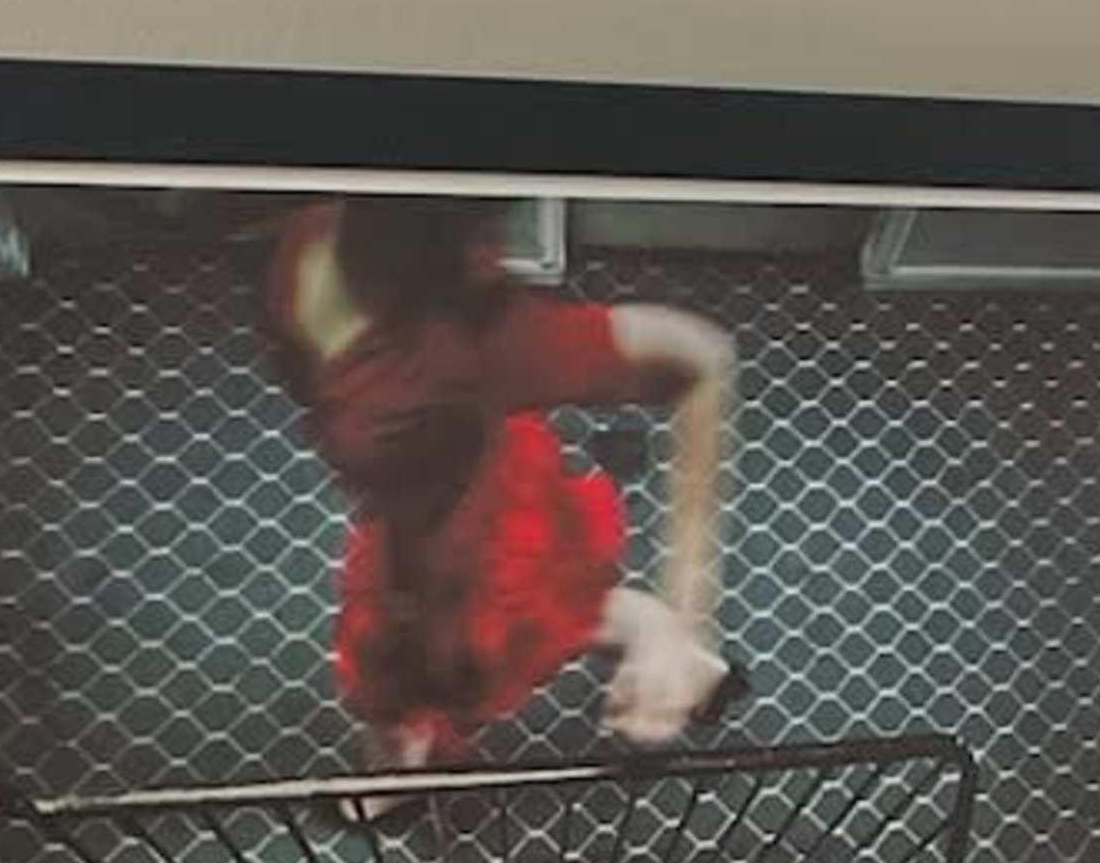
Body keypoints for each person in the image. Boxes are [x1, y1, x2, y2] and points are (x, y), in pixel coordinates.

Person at [261, 195, 740, 767]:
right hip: (427, 516)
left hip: (461, 541)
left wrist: (689, 612)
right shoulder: (302, 229)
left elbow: (700, 358)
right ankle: (652, 633)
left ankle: (396, 756)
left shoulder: (481, 340)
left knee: (404, 667)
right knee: (541, 608)